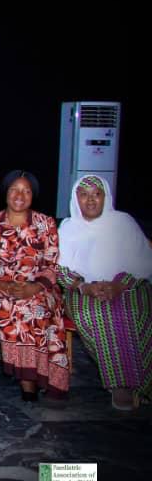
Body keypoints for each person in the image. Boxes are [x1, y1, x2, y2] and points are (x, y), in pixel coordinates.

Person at [58, 175, 152, 410]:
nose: (90, 200)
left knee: (134, 313)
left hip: (127, 286)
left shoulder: (123, 223)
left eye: (96, 194)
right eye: (84, 195)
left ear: (105, 197)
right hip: (82, 289)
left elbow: (144, 261)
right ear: (76, 199)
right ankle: (121, 385)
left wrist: (118, 286)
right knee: (97, 315)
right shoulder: (68, 228)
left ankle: (144, 384)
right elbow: (58, 269)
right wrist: (85, 286)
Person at [0, 170, 68, 401]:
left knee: (35, 309)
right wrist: (5, 286)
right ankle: (28, 380)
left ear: (33, 195)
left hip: (39, 287)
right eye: (14, 190)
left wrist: (33, 287)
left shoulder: (45, 223)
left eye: (26, 191)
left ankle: (35, 376)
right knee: (9, 308)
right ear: (5, 193)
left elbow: (52, 264)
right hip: (0, 288)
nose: (20, 196)